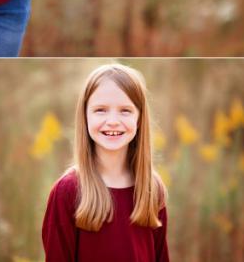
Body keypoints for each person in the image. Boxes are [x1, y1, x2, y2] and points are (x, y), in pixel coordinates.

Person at [42, 63, 170, 261]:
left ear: (139, 118)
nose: (112, 120)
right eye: (100, 110)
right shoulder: (67, 191)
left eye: (125, 110)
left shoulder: (152, 189)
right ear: (85, 116)